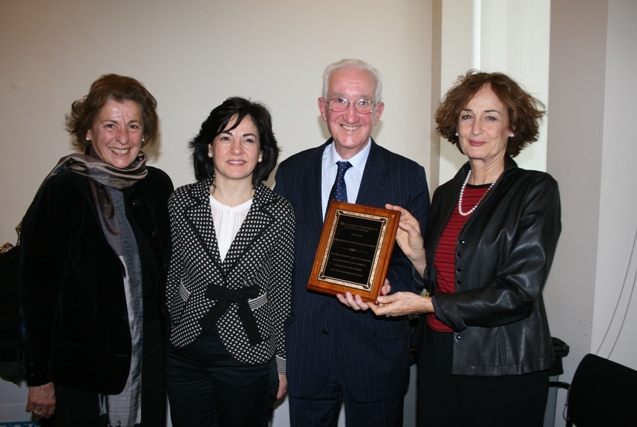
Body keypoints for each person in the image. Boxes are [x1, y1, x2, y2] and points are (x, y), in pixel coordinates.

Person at [369, 70, 562, 427]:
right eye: (467, 116)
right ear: (454, 126)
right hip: (439, 356)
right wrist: (417, 255)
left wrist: (426, 304)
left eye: (491, 117)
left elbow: (519, 292)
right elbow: (447, 277)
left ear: (512, 127)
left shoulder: (535, 190)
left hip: (501, 362)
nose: (476, 129)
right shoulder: (446, 193)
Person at [274, 58, 430, 426]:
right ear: (322, 107)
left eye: (363, 102)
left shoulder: (408, 175)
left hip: (375, 350)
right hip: (308, 348)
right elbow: (280, 261)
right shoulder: (292, 171)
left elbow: (418, 268)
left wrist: (390, 285)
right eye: (340, 100)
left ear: (378, 111)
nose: (351, 113)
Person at [19, 74, 173, 426]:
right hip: (81, 368)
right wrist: (39, 376)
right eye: (110, 125)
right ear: (88, 130)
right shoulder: (63, 191)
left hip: (149, 358)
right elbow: (37, 294)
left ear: (145, 132)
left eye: (133, 125)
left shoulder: (156, 187)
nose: (123, 137)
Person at [165, 97, 295, 427]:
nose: (236, 149)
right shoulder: (180, 201)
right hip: (186, 347)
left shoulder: (280, 212)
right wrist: (177, 310)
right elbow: (172, 271)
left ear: (262, 152)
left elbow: (281, 293)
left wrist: (280, 361)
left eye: (248, 139)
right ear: (209, 148)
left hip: (248, 347)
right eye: (226, 137)